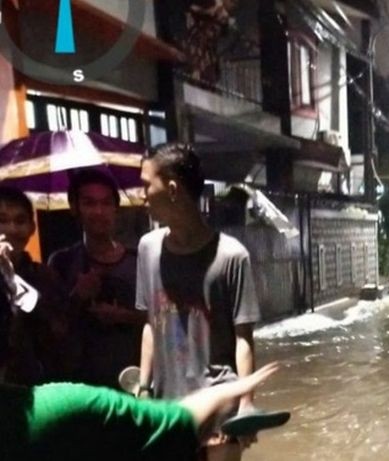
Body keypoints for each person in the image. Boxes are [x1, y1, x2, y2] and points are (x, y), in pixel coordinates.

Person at [0, 239, 281, 461]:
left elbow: (149, 322)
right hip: (115, 393)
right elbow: (175, 421)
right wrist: (228, 393)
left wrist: (242, 404)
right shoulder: (65, 406)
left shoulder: (227, 255)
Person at [136, 143, 262, 461]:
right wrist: (143, 387)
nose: (142, 195)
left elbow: (243, 340)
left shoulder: (232, 256)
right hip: (167, 412)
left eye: (146, 184)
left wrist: (246, 404)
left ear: (173, 188)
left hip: (219, 409)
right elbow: (151, 325)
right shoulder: (148, 249)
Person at [48, 168, 145, 389]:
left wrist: (124, 316)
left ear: (115, 208)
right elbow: (51, 331)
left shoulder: (138, 260)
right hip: (80, 385)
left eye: (106, 203)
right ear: (75, 208)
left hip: (134, 381)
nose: (99, 211)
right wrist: (77, 297)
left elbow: (160, 320)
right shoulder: (62, 262)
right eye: (89, 203)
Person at [0, 186, 76, 384]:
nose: (11, 229)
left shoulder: (45, 276)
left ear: (32, 228)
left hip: (38, 390)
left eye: (20, 221)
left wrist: (13, 282)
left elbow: (61, 334)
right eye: (2, 220)